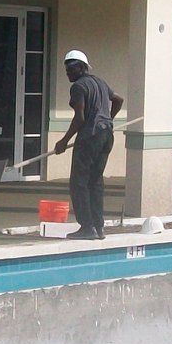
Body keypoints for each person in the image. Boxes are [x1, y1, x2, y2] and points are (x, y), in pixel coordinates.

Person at [52, 50, 123, 240]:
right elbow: (118, 100)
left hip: (90, 137)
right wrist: (108, 120)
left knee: (79, 182)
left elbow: (80, 118)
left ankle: (87, 227)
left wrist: (64, 141)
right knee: (95, 181)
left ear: (82, 68)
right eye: (66, 69)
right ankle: (99, 228)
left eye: (72, 68)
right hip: (106, 135)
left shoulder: (78, 87)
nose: (68, 72)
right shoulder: (100, 82)